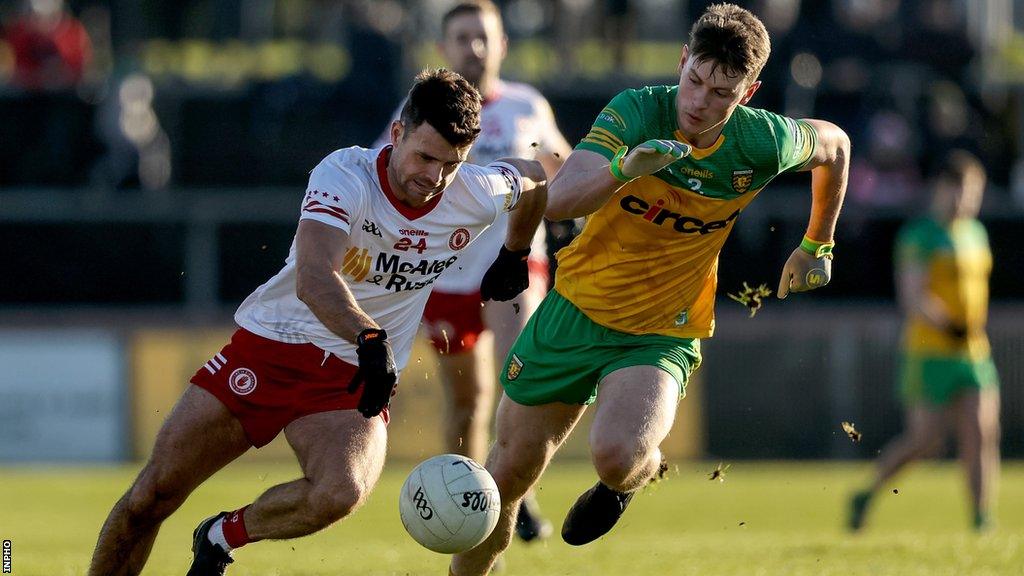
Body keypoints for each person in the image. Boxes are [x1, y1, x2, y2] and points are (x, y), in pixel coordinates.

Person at [86, 68, 548, 576]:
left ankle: (221, 536)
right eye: (425, 157)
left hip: (351, 378)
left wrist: (515, 252)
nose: (434, 178)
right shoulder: (345, 173)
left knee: (340, 492)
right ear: (397, 135)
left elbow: (534, 178)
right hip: (274, 346)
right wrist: (369, 338)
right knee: (152, 495)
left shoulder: (476, 190)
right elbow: (313, 276)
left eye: (451, 165)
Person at [450, 4, 850, 574]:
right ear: (682, 60)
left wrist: (818, 244)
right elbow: (560, 199)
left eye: (721, 93)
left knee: (617, 457)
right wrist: (623, 170)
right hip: (575, 309)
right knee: (507, 476)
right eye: (694, 81)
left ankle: (630, 479)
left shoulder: (762, 141)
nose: (699, 103)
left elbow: (835, 147)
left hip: (663, 330)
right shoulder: (638, 109)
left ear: (749, 91)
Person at [375, 0, 571, 542]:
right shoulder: (417, 110)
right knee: (470, 402)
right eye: (462, 38)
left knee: (522, 374)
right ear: (444, 48)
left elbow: (561, 164)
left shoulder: (527, 106)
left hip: (512, 263)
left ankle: (515, 491)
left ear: (503, 45)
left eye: (483, 37)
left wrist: (566, 195)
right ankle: (467, 506)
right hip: (445, 278)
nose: (474, 48)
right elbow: (383, 180)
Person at [849, 150, 1000, 532]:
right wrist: (948, 324)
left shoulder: (975, 233)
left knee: (981, 432)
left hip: (972, 351)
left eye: (974, 192)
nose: (967, 200)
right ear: (942, 189)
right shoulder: (920, 235)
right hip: (929, 352)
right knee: (925, 442)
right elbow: (914, 298)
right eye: (961, 190)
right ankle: (868, 493)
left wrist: (967, 331)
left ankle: (982, 520)